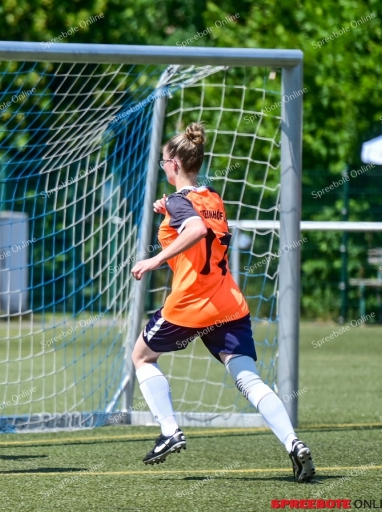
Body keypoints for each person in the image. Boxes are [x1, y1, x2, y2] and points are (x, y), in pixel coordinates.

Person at [128, 122, 316, 483]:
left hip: (191, 303)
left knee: (141, 356)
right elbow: (195, 219)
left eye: (164, 161)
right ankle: (293, 443)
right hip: (228, 301)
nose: (163, 167)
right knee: (248, 378)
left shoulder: (180, 202)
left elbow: (195, 229)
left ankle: (170, 431)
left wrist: (153, 259)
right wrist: (167, 208)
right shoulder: (212, 196)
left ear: (175, 165)